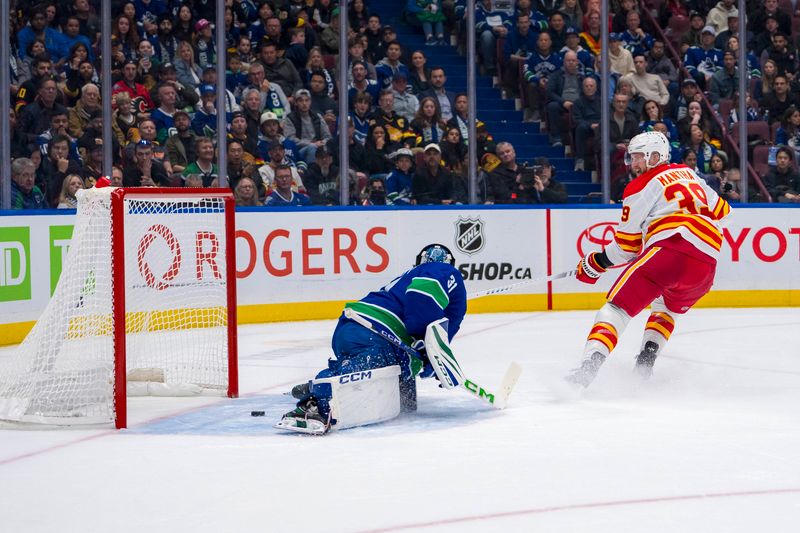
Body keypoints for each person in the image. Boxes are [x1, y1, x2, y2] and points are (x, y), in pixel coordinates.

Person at [566, 131, 732, 387]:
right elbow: (724, 211)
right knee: (666, 309)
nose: (633, 164)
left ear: (656, 156)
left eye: (638, 158)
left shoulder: (639, 186)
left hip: (671, 251)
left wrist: (594, 263)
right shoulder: (689, 174)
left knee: (615, 310)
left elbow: (627, 247)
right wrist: (709, 189)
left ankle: (589, 368)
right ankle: (645, 364)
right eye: (631, 158)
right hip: (706, 267)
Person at [276, 243, 467, 434]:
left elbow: (431, 327)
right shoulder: (443, 270)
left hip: (354, 328)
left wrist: (430, 356)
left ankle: (318, 385)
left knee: (385, 377)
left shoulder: (409, 277)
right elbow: (422, 296)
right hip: (377, 333)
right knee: (369, 367)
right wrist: (426, 347)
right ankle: (314, 404)